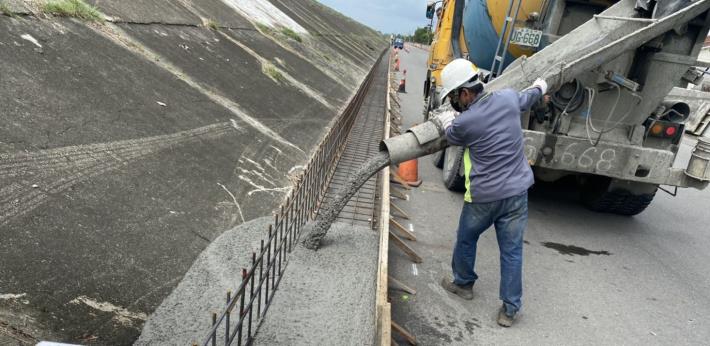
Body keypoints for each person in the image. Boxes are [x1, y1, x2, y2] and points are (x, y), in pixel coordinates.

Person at [435, 58, 548, 327]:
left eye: (454, 96)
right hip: (517, 193)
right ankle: (509, 310)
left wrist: (446, 119)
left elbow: (450, 133)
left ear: (464, 92)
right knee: (512, 251)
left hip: (484, 197)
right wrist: (541, 87)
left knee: (466, 238)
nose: (454, 101)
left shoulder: (466, 122)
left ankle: (463, 284)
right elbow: (528, 98)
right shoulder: (508, 98)